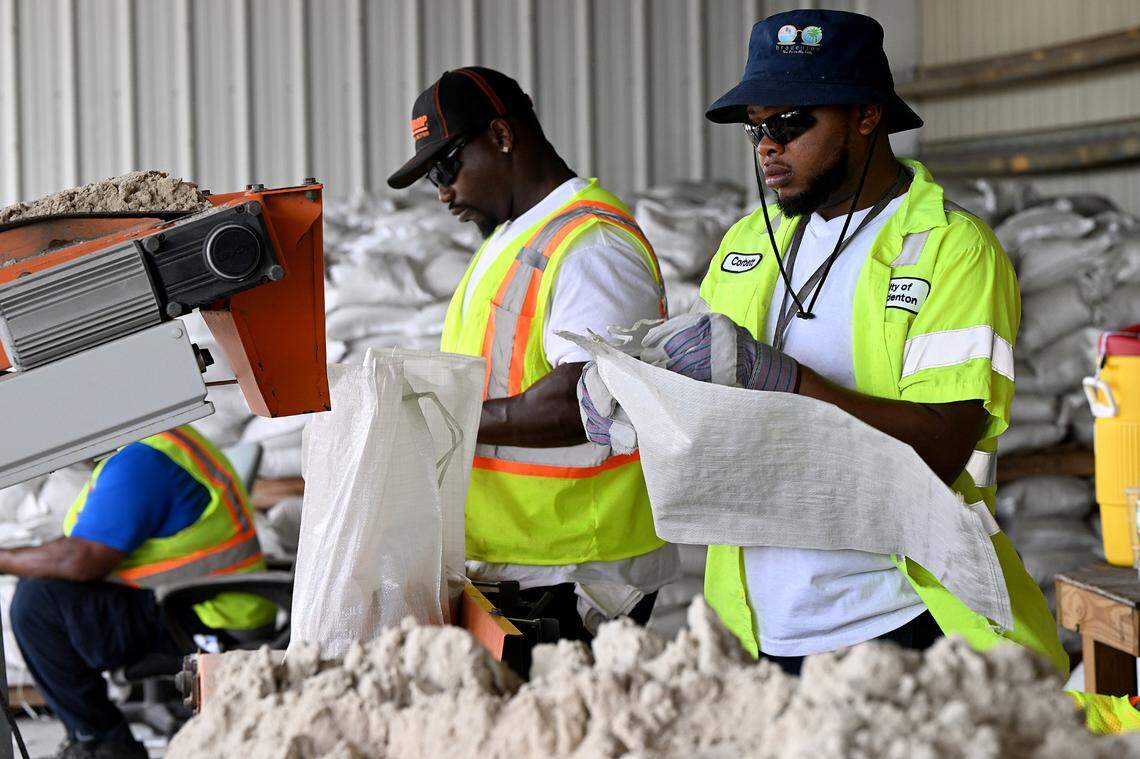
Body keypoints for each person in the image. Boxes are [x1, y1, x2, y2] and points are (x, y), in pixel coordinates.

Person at [581, 9, 1067, 677]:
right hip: (764, 631)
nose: (766, 148)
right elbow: (720, 409)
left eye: (789, 123)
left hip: (903, 625)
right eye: (757, 128)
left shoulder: (952, 253)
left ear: (867, 115)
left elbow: (943, 446)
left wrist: (787, 381)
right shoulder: (749, 244)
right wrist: (641, 391)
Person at [387, 66, 679, 640]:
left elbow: (586, 403)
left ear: (501, 136)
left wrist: (438, 421)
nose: (443, 191)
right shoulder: (511, 238)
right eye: (431, 178)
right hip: (527, 559)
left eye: (447, 166)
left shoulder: (591, 246)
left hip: (579, 567)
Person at [6, 426, 275, 759]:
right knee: (47, 592)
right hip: (209, 601)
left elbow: (82, 560)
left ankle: (101, 743)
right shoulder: (164, 441)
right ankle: (97, 737)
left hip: (210, 617)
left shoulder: (143, 462)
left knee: (38, 604)